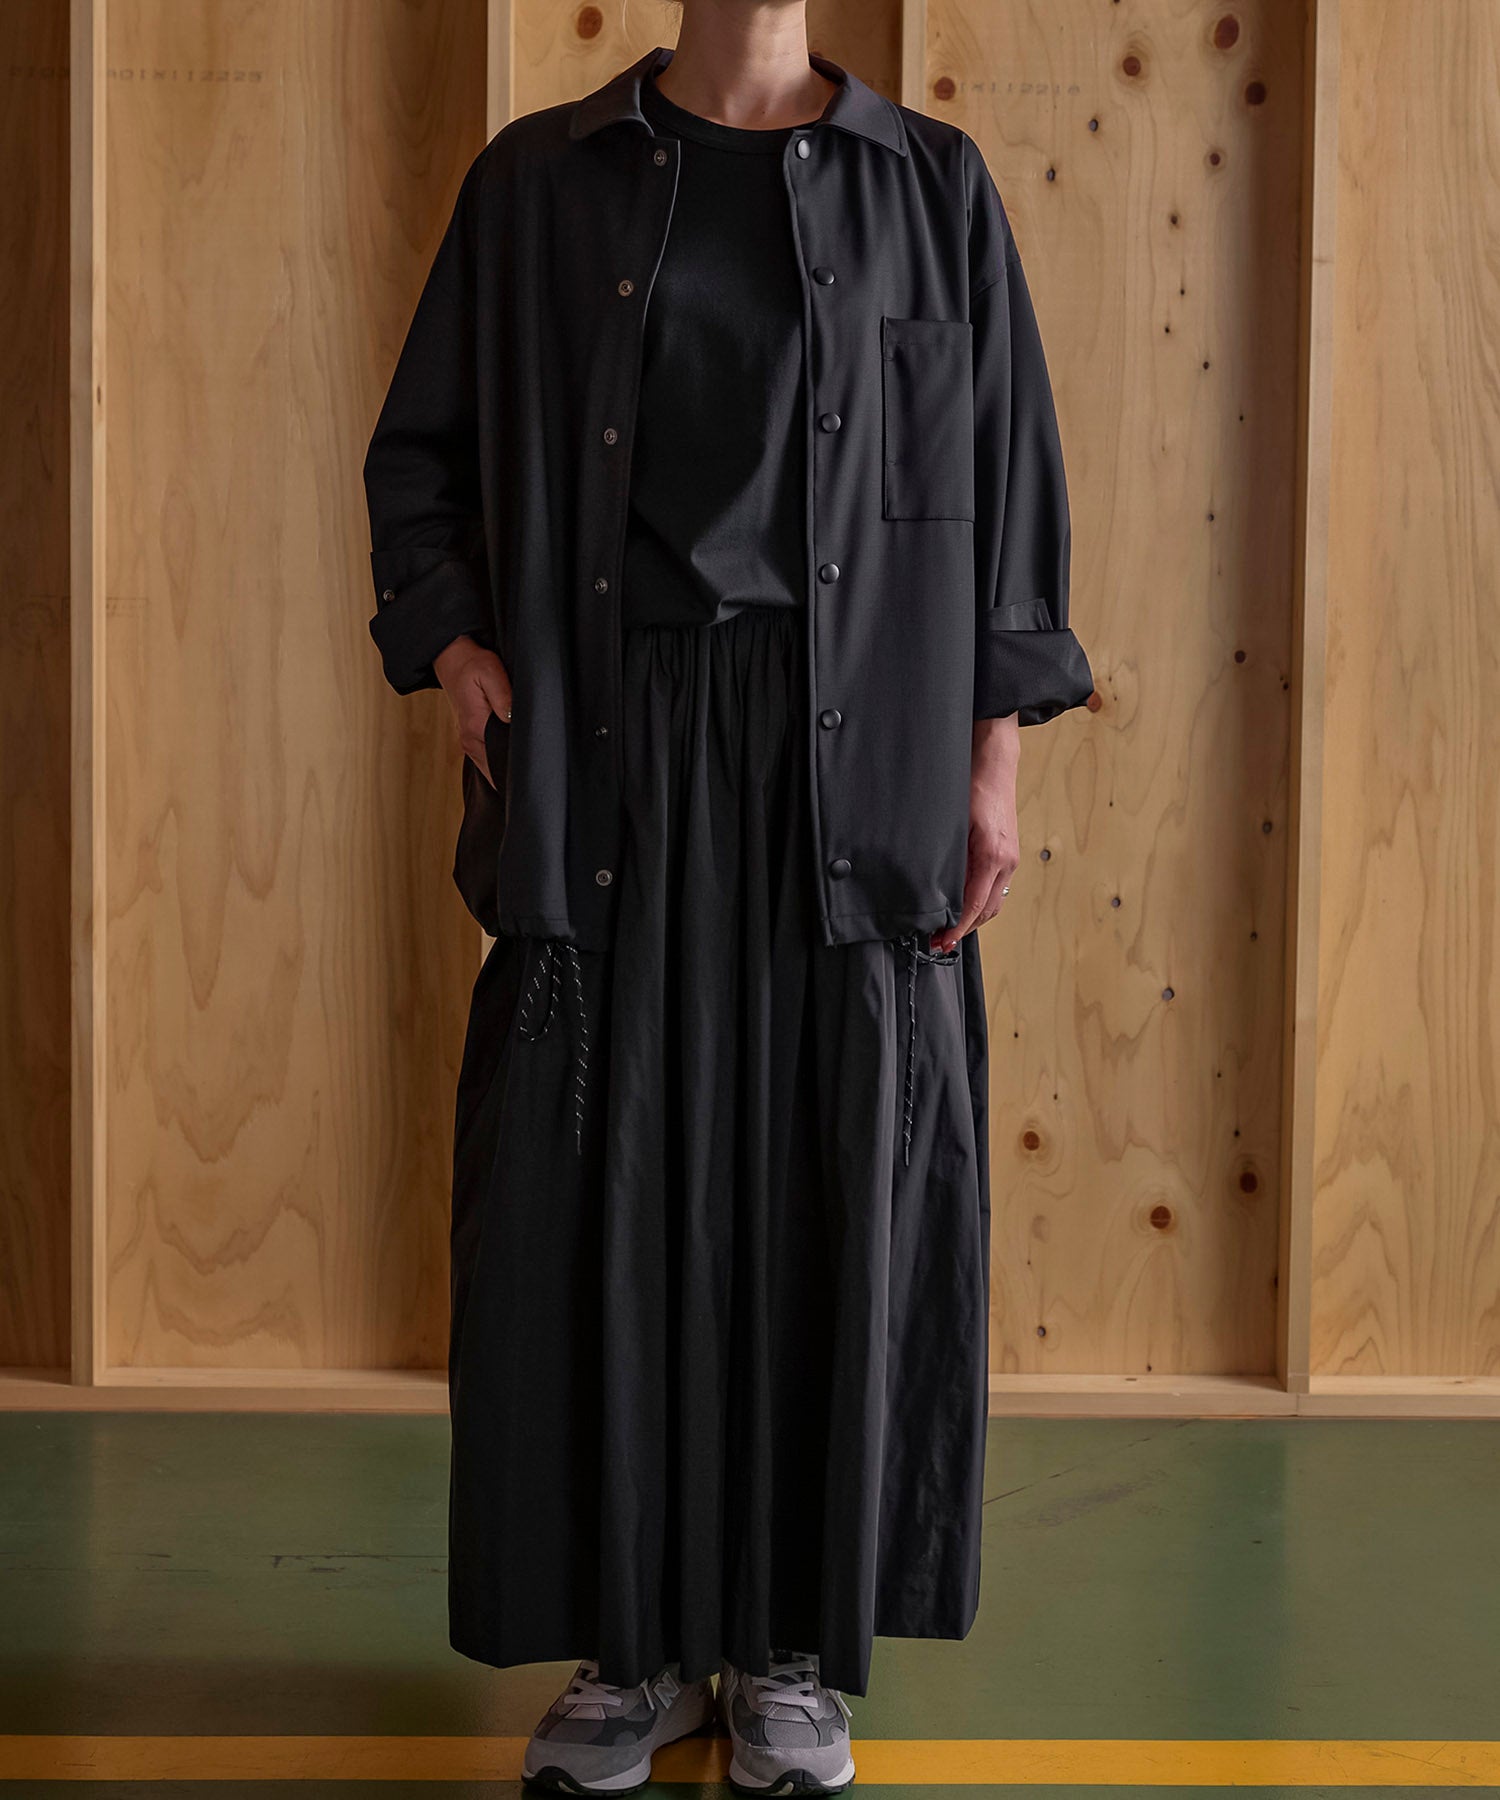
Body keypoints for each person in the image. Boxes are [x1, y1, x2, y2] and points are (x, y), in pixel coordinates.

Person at [362, 2, 1095, 1794]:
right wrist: (453, 644)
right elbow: (420, 454)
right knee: (605, 1184)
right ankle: (629, 1650)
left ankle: (785, 1654)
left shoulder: (935, 190)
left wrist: (993, 766)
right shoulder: (540, 185)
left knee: (822, 1188)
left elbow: (1004, 494)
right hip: (614, 752)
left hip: (854, 762)